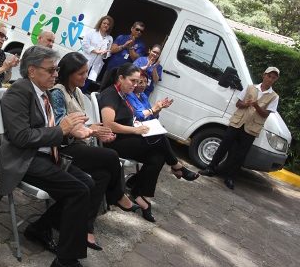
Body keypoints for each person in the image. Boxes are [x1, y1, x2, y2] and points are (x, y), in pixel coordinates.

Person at [0, 45, 93, 267]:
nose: (56, 75)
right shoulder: (19, 92)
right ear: (32, 70)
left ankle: (40, 228)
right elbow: (20, 137)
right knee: (78, 191)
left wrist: (72, 130)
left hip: (46, 154)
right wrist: (62, 130)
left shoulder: (44, 92)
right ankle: (65, 261)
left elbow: (51, 130)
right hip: (24, 158)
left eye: (57, 70)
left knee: (88, 184)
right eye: (51, 70)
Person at [50, 52, 139, 251]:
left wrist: (98, 131)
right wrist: (91, 131)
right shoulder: (58, 92)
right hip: (65, 148)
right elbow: (60, 127)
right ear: (70, 74)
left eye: (85, 72)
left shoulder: (78, 92)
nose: (85, 77)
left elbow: (84, 122)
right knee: (112, 156)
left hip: (80, 144)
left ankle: (86, 227)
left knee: (103, 175)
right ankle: (117, 195)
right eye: (81, 74)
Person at [98, 63, 198, 223]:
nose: (136, 85)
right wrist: (135, 130)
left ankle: (140, 196)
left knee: (158, 155)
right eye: (132, 81)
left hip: (127, 138)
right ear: (121, 78)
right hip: (113, 142)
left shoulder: (124, 95)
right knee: (159, 137)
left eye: (138, 81)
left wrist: (136, 126)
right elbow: (109, 125)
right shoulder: (111, 94)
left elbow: (128, 119)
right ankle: (177, 166)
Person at [200, 67, 280, 190]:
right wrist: (247, 104)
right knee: (224, 146)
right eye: (269, 76)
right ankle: (210, 168)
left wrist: (257, 106)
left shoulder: (274, 96)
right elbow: (238, 104)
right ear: (264, 75)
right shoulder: (250, 87)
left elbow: (265, 114)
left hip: (252, 128)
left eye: (273, 78)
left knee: (241, 154)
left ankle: (230, 177)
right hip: (238, 122)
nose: (270, 79)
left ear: (276, 80)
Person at [81, 15, 114, 91]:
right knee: (80, 77)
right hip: (86, 60)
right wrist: (95, 51)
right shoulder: (92, 32)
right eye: (104, 23)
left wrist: (105, 54)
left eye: (108, 24)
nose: (106, 25)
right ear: (100, 23)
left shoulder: (109, 38)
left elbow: (108, 52)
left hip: (97, 64)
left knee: (88, 81)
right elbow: (85, 44)